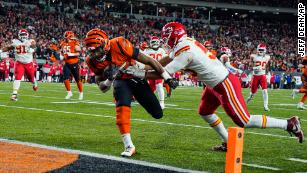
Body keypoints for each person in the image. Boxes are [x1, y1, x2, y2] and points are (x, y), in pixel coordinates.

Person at [125, 22, 304, 151]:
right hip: (213, 83)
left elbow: (162, 73)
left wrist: (138, 73)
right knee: (205, 111)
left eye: (167, 38)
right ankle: (228, 141)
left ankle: (288, 124)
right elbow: (163, 61)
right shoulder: (185, 42)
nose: (166, 41)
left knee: (244, 121)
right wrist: (143, 65)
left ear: (174, 36)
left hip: (224, 83)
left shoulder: (185, 50)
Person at [84, 28, 177, 157]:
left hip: (136, 77)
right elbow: (102, 88)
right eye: (91, 51)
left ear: (105, 44)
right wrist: (110, 80)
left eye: (97, 50)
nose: (95, 54)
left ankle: (139, 97)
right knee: (121, 109)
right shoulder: (91, 61)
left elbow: (150, 61)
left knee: (158, 114)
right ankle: (129, 146)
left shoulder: (120, 44)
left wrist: (168, 78)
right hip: (120, 82)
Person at [0, 29, 38, 101]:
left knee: (31, 78)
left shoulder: (30, 41)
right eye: (22, 35)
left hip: (28, 63)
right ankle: (14, 94)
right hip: (19, 62)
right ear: (19, 35)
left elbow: (34, 45)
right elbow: (9, 48)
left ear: (27, 35)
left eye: (24, 35)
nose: (23, 36)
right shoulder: (15, 42)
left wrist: (32, 48)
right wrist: (1, 50)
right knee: (17, 77)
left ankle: (34, 83)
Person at [143, 36, 168, 109]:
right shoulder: (147, 51)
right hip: (150, 72)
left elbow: (167, 59)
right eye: (152, 42)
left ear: (158, 42)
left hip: (159, 71)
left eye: (154, 42)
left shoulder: (162, 50)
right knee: (151, 88)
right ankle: (151, 101)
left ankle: (161, 103)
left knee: (159, 85)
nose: (153, 43)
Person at [59, 31, 83, 100]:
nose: (65, 38)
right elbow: (61, 52)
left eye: (67, 36)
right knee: (65, 78)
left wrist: (72, 54)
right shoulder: (62, 43)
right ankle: (69, 92)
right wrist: (61, 56)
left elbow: (78, 53)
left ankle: (81, 93)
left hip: (74, 63)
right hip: (67, 63)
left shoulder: (75, 42)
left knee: (77, 79)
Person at [246, 43, 271, 111]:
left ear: (265, 50)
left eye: (261, 50)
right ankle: (248, 100)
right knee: (252, 94)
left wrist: (268, 74)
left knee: (265, 91)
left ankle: (265, 106)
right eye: (259, 49)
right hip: (255, 76)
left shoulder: (267, 57)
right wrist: (255, 68)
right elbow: (249, 66)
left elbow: (267, 66)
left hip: (262, 76)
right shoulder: (253, 56)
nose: (260, 51)